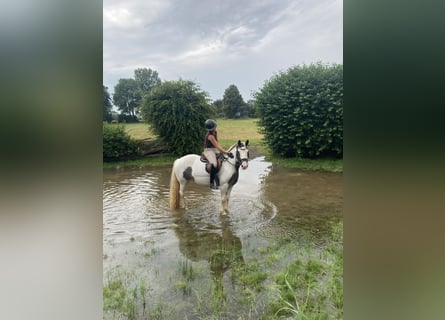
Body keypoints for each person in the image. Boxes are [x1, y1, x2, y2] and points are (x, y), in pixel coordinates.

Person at [203, 119, 232, 189]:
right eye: (213, 128)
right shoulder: (210, 136)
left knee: (223, 158)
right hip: (208, 150)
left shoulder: (215, 132)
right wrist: (225, 152)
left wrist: (223, 152)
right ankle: (211, 183)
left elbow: (218, 143)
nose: (215, 128)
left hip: (214, 149)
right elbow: (216, 145)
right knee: (214, 164)